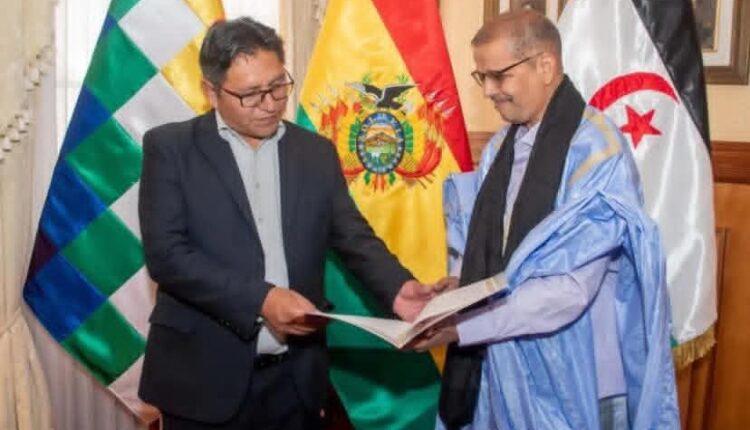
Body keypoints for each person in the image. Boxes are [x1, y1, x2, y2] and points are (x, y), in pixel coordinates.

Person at [137, 17, 441, 430]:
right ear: (211, 91)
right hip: (203, 379)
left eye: (278, 86)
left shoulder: (314, 151)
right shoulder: (170, 148)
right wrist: (262, 299)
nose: (270, 104)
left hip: (295, 380)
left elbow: (352, 235)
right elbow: (167, 256)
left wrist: (398, 288)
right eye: (250, 95)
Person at [412, 10, 679, 430]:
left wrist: (464, 326)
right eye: (482, 77)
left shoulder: (596, 150)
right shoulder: (500, 147)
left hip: (576, 374)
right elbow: (496, 248)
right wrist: (462, 286)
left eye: (499, 76)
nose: (489, 91)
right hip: (504, 365)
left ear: (546, 66)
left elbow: (569, 289)